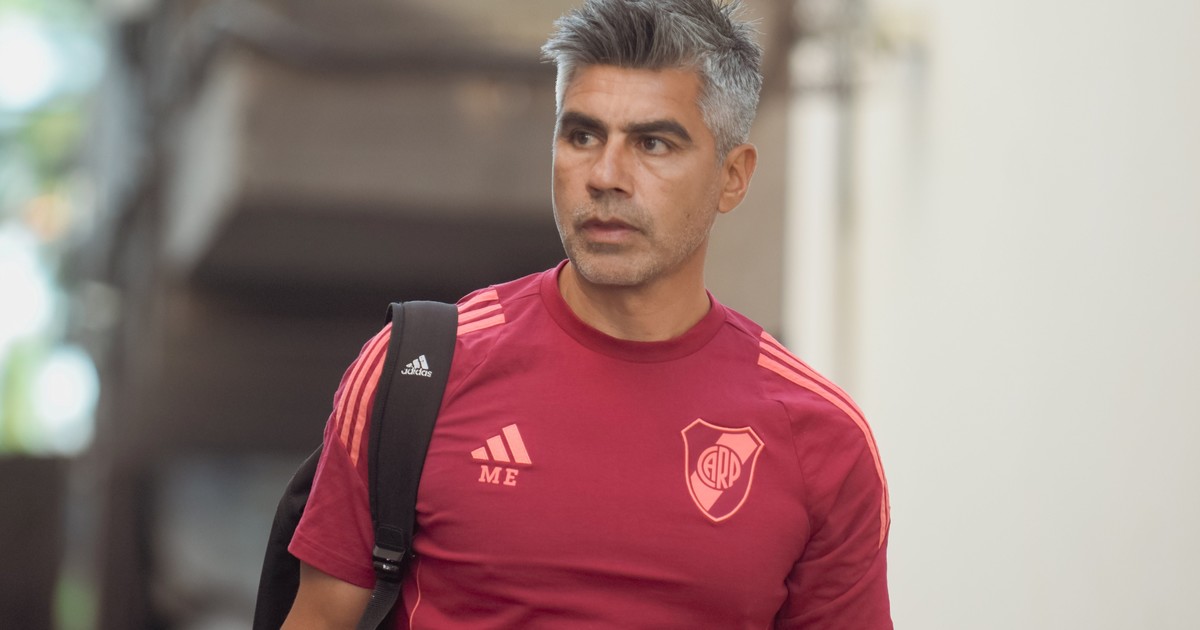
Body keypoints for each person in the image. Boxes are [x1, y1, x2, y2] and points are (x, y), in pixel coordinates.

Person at [282, 0, 891, 627]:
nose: (605, 175)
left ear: (732, 177)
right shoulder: (419, 368)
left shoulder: (821, 439)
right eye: (582, 136)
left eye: (652, 143)